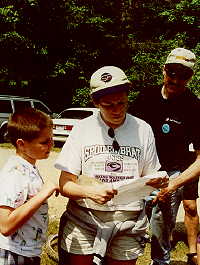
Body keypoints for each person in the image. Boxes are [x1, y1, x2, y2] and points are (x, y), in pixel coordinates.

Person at [54, 65, 168, 265]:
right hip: (84, 219)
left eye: (122, 103)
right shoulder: (82, 129)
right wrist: (90, 193)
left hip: (128, 222)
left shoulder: (143, 130)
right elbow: (65, 184)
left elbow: (151, 177)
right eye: (108, 105)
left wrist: (158, 186)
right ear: (95, 102)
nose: (117, 110)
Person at [129, 47, 200, 265]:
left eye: (184, 75)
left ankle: (162, 261)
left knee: (161, 224)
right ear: (163, 70)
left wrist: (172, 185)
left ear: (191, 77)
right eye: (172, 73)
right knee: (129, 221)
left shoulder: (194, 106)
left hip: (173, 173)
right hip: (142, 170)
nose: (176, 80)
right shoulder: (145, 97)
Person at [0, 108, 59, 265]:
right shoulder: (15, 173)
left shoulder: (27, 167)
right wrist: (44, 193)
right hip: (13, 253)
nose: (51, 144)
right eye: (44, 142)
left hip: (27, 251)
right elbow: (5, 225)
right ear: (21, 144)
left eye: (51, 139)